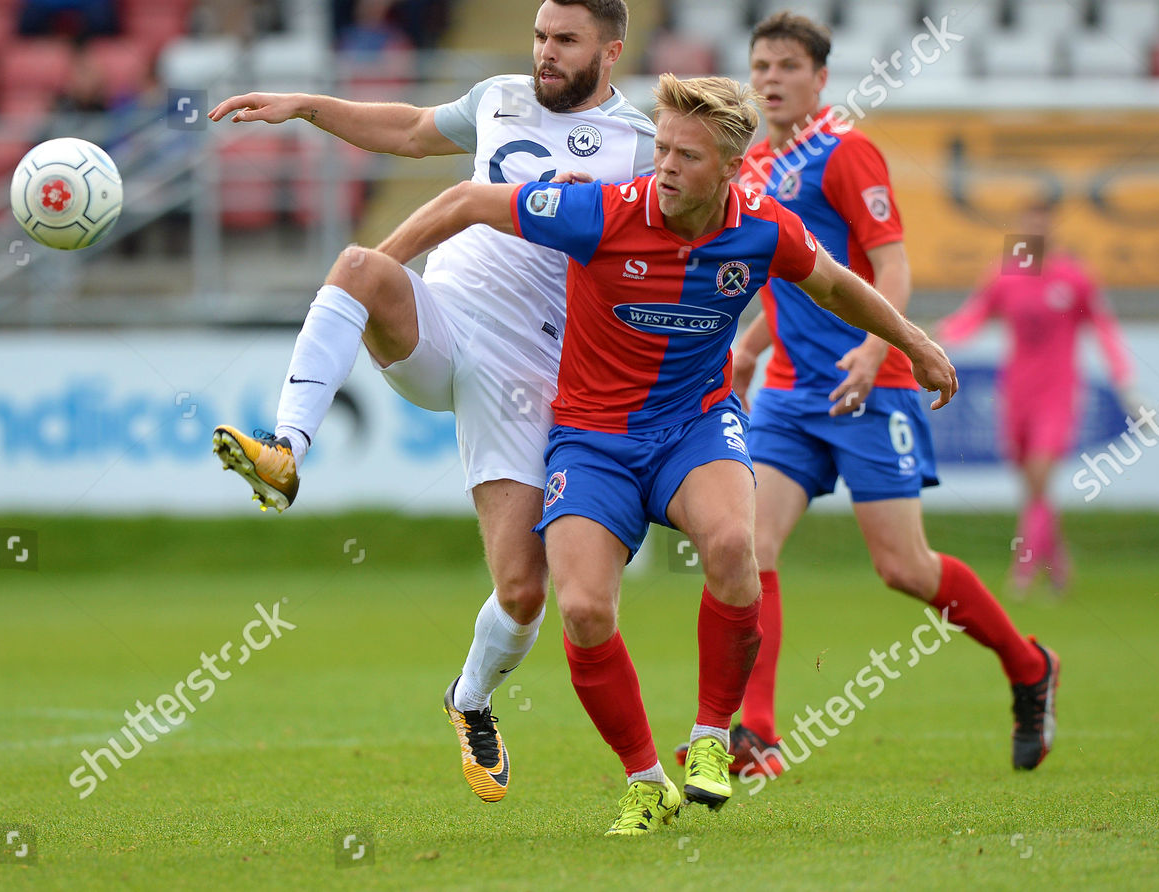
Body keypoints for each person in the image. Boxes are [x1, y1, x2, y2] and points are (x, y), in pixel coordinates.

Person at [369, 73, 957, 834]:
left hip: (695, 427)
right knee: (580, 608)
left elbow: (838, 285)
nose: (667, 166)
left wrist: (914, 342)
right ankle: (646, 780)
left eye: (688, 155)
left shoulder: (763, 228)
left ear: (730, 169)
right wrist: (363, 281)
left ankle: (712, 738)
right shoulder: (601, 211)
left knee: (734, 544)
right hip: (591, 439)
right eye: (664, 148)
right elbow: (463, 203)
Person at [206, 0, 655, 804]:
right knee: (359, 267)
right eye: (540, 34)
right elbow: (412, 130)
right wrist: (308, 104)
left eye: (565, 41)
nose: (546, 53)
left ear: (610, 52)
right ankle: (285, 451)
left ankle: (470, 699)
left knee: (524, 593)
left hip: (532, 375)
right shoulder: (499, 98)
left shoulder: (639, 143)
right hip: (443, 321)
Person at [673, 12, 1059, 781]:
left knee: (903, 567)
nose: (772, 78)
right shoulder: (748, 171)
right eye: (760, 65)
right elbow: (781, 279)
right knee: (749, 549)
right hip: (788, 392)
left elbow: (894, 271)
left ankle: (1028, 666)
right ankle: (756, 735)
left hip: (870, 387)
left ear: (821, 78)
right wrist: (749, 349)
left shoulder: (845, 154)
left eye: (788, 66)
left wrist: (877, 347)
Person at [937, 202, 1136, 594]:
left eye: (1042, 227)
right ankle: (1059, 567)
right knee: (1033, 488)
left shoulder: (1074, 278)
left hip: (1059, 393)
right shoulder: (1005, 275)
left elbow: (1105, 330)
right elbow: (972, 317)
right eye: (1028, 227)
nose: (1035, 234)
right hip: (1015, 394)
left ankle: (1022, 572)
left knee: (1041, 478)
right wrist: (934, 337)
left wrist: (1126, 385)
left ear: (1053, 232)